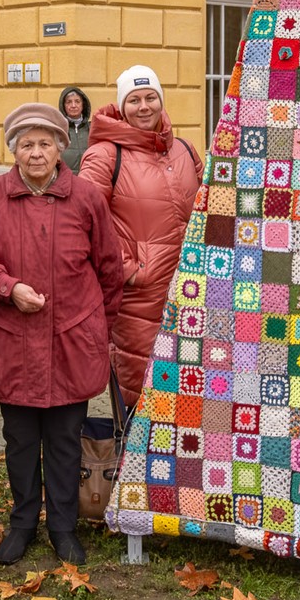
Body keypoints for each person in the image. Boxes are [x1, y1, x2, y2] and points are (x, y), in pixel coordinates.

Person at [0, 102, 126, 567]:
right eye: (26, 144)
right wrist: (8, 289)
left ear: (60, 148)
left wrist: (99, 325)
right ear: (13, 151)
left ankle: (63, 527)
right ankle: (23, 522)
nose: (35, 153)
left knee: (66, 439)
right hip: (12, 339)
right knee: (20, 439)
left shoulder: (87, 198)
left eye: (44, 143)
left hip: (72, 339)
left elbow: (109, 269)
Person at [76, 65, 200, 408]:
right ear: (121, 106)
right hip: (138, 295)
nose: (144, 106)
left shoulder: (185, 150)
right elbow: (83, 222)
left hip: (191, 287)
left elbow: (209, 209)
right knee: (142, 390)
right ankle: (130, 459)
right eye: (134, 100)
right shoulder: (104, 155)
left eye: (151, 97)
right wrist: (129, 268)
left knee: (187, 385)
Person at [58, 86, 94, 172]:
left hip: (88, 179)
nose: (73, 106)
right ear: (63, 106)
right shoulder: (59, 129)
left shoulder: (92, 128)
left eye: (77, 101)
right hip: (65, 180)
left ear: (83, 104)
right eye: (69, 102)